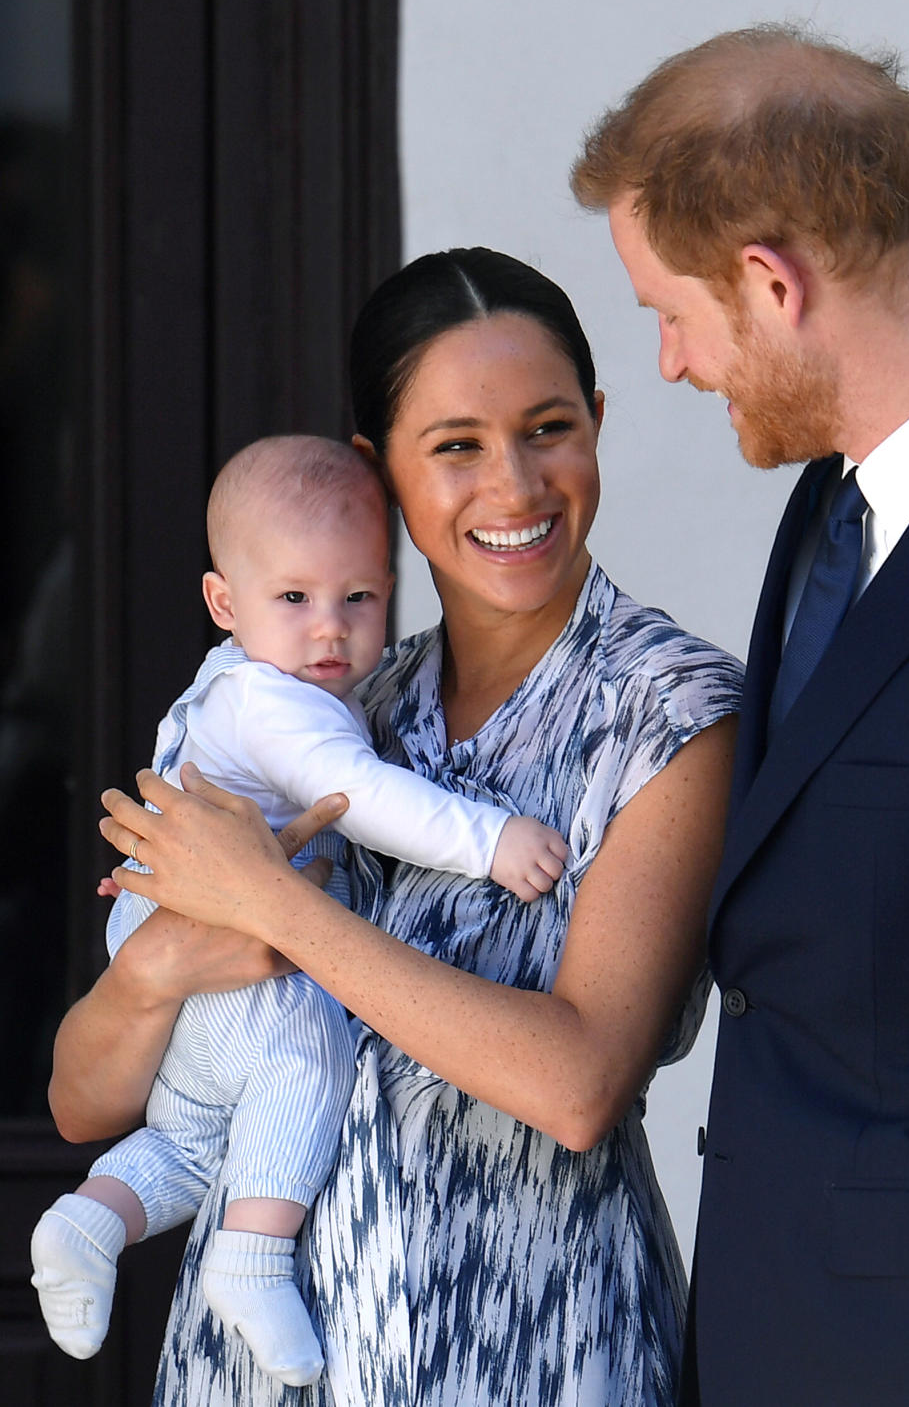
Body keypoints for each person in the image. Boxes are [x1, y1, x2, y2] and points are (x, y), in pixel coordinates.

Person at [62, 247, 741, 1406]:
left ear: (598, 423)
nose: (516, 486)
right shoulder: (330, 708)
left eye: (549, 428)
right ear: (380, 474)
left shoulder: (668, 710)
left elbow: (579, 1085)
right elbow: (85, 1100)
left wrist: (270, 903)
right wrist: (162, 962)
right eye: (457, 445)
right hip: (269, 1361)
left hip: (526, 1342)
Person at [571, 21, 909, 1407]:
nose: (672, 365)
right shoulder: (824, 514)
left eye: (669, 315)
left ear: (768, 282)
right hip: (771, 1340)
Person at [32, 432, 566, 1388]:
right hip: (221, 941)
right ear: (224, 604)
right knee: (311, 1044)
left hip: (185, 945)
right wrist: (493, 842)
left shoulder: (242, 683)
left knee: (195, 1135)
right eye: (295, 599)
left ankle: (88, 1221)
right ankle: (253, 1259)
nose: (332, 629)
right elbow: (359, 794)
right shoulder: (280, 706)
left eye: (359, 598)